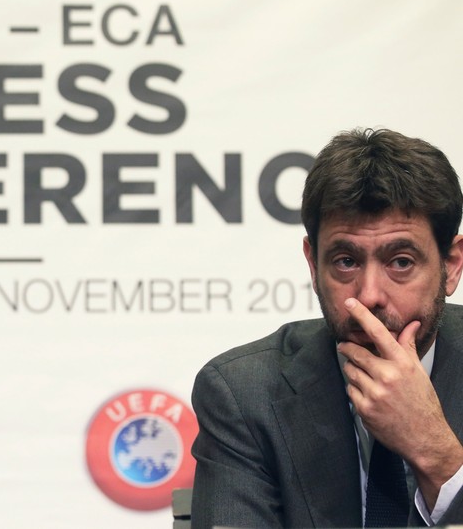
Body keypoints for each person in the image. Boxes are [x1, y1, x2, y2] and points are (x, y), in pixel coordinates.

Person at [191, 128, 463, 528]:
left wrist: (436, 453)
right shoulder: (244, 396)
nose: (369, 295)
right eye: (346, 262)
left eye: (401, 261)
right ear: (313, 264)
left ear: (451, 264)